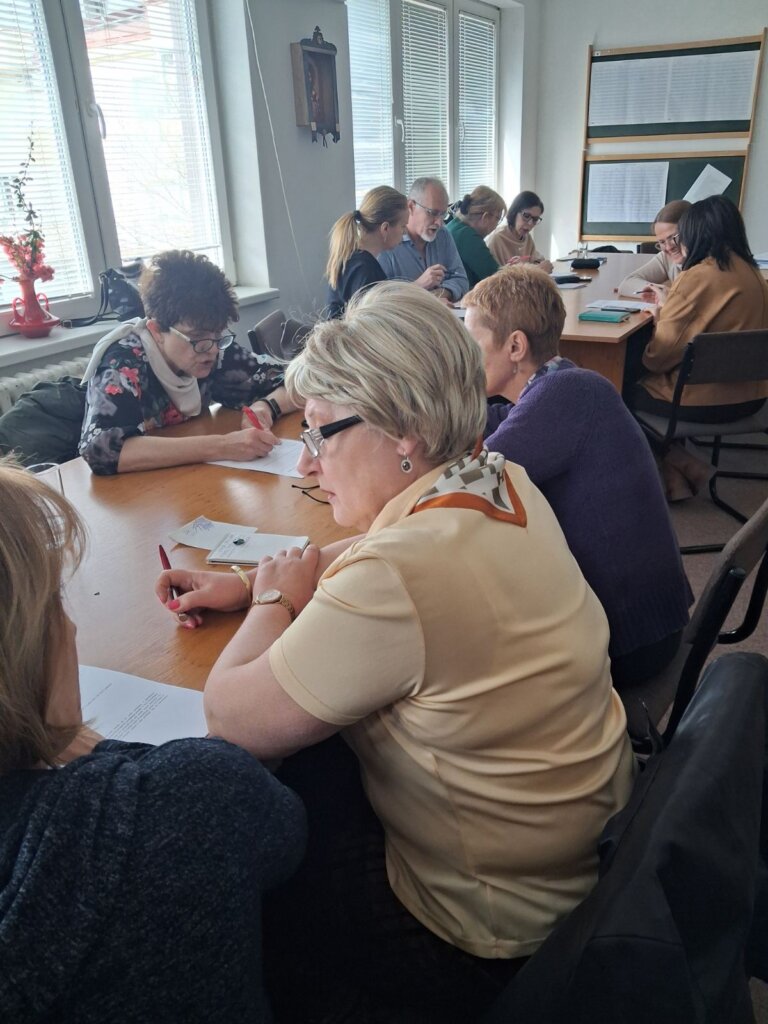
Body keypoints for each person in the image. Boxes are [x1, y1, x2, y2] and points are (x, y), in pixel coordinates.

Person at [156, 283, 635, 1022]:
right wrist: (248, 579)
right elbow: (386, 547)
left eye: (320, 433)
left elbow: (230, 719)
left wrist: (272, 601)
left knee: (247, 849)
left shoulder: (399, 577)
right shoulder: (497, 477)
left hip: (487, 931)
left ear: (403, 431)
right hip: (579, 853)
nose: (306, 464)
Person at [0, 458, 306, 1024]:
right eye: (55, 601)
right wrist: (273, 603)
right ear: (23, 646)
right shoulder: (178, 801)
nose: (71, 627)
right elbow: (279, 824)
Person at [464, 266, 691, 689]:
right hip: (647, 624)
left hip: (629, 642)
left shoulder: (564, 396)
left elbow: (469, 486)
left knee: (460, 647)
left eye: (471, 345)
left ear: (515, 346)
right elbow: (501, 419)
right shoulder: (568, 382)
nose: (464, 361)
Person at [79, 249, 297, 475]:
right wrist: (222, 446)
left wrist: (267, 407)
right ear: (156, 331)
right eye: (196, 337)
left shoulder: (212, 347)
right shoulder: (122, 362)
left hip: (189, 477)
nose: (212, 349)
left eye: (218, 334)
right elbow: (103, 450)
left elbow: (297, 382)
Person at [636, 195, 768, 421]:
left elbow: (657, 359)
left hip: (700, 400)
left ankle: (657, 446)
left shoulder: (697, 277)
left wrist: (661, 317)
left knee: (616, 383)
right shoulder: (754, 273)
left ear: (696, 234)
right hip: (754, 398)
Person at [377, 177, 469, 302]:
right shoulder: (387, 241)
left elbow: (461, 279)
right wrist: (419, 286)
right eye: (433, 213)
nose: (439, 222)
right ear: (411, 206)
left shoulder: (443, 235)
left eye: (443, 214)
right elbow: (379, 301)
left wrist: (437, 296)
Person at [324, 186, 408, 318]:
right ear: (385, 228)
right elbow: (371, 324)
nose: (405, 232)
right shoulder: (365, 270)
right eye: (403, 226)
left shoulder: (353, 258)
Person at [618, 199, 691, 300]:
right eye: (662, 242)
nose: (668, 247)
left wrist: (670, 296)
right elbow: (626, 284)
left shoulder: (707, 265)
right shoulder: (666, 258)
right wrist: (660, 291)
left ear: (692, 230)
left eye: (673, 238)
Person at [444, 185, 506, 287]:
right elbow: (497, 279)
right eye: (498, 219)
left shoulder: (454, 225)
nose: (496, 225)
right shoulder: (468, 237)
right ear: (485, 217)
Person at [486, 190, 554, 273]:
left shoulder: (527, 237)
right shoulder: (497, 239)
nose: (530, 223)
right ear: (514, 212)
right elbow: (495, 277)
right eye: (526, 216)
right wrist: (536, 270)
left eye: (535, 219)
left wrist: (540, 265)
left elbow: (536, 260)